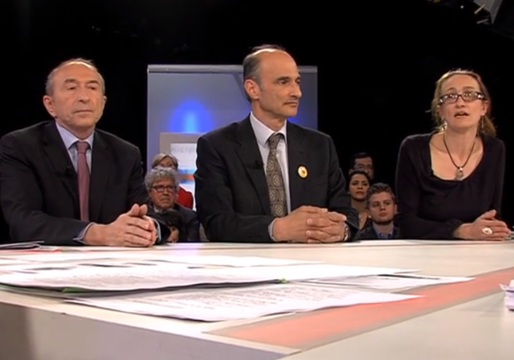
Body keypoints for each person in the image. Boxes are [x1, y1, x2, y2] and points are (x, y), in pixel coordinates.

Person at [194, 45, 358, 243]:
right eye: (283, 82)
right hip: (248, 267)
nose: (297, 92)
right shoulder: (217, 146)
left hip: (312, 266)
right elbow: (216, 222)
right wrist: (278, 228)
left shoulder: (320, 146)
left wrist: (342, 230)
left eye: (297, 82)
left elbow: (346, 212)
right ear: (252, 89)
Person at [0, 58, 169, 246]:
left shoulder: (126, 154)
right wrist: (97, 233)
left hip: (113, 266)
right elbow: (23, 222)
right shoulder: (20, 147)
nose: (84, 97)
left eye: (92, 88)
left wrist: (147, 228)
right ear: (50, 105)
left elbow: (152, 216)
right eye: (72, 88)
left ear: (103, 103)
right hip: (43, 265)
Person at [395, 69, 510, 240]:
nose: (460, 103)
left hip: (477, 254)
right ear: (440, 110)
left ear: (483, 107)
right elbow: (406, 223)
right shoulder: (413, 148)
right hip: (422, 254)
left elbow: (493, 216)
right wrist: (461, 230)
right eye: (450, 96)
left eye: (469, 94)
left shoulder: (495, 149)